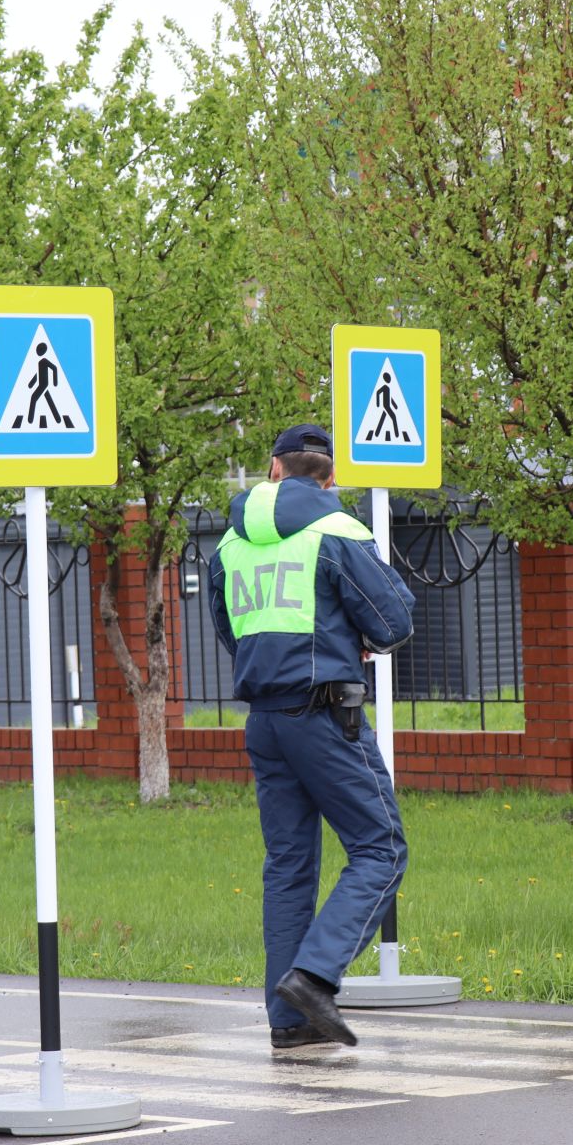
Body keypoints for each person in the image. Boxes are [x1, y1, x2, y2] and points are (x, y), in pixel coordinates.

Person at [208, 425, 416, 1050]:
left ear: (272, 469)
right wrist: (357, 643)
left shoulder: (228, 543)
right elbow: (394, 619)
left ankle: (291, 1022)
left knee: (289, 867)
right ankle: (317, 977)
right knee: (380, 850)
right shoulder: (338, 531)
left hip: (264, 721)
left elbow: (232, 632)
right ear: (329, 478)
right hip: (327, 715)